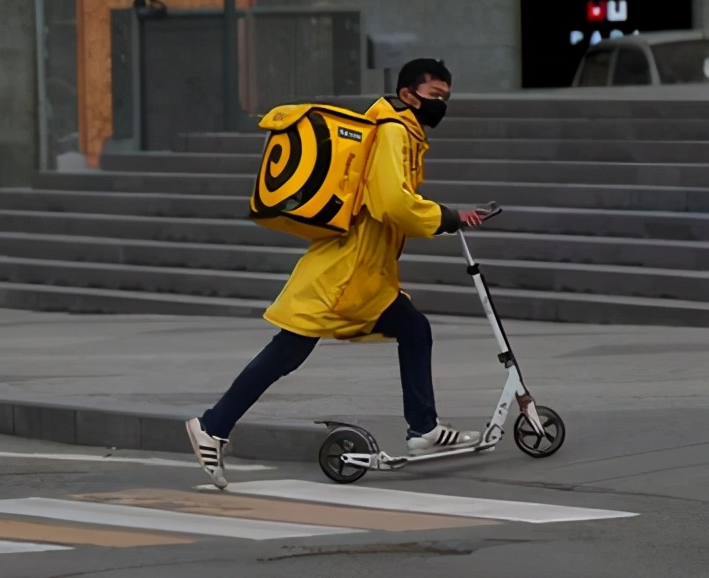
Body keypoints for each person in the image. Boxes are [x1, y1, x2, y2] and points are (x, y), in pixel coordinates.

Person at [185, 58, 485, 489]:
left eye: (445, 98)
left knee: (414, 329)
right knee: (288, 350)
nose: (441, 105)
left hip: (366, 272)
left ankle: (424, 430)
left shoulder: (403, 131)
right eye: (435, 96)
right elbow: (392, 203)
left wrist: (441, 216)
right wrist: (448, 216)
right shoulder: (394, 131)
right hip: (346, 272)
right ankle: (212, 426)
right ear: (407, 95)